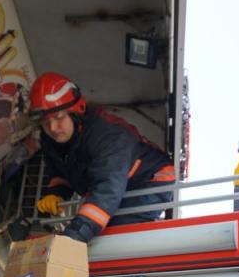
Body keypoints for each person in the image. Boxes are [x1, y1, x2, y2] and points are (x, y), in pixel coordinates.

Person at [31, 72, 175, 243]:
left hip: (150, 180)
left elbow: (107, 190)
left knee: (112, 236)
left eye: (58, 117)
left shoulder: (108, 136)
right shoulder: (51, 139)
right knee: (96, 231)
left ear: (76, 112)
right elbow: (60, 171)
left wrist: (72, 240)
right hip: (117, 182)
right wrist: (57, 194)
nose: (53, 128)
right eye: (46, 122)